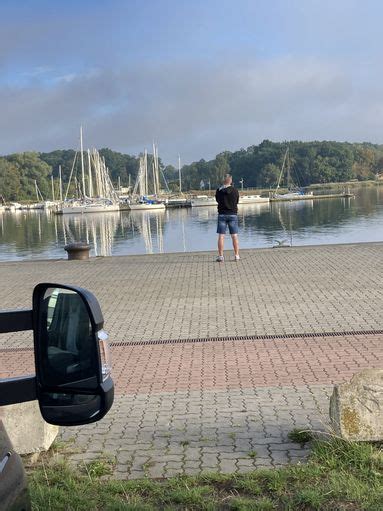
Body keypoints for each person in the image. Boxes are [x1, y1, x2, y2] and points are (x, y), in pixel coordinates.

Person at [215, 174, 240, 262]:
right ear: (230, 181)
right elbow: (237, 201)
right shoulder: (235, 190)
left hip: (222, 214)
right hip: (233, 214)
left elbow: (217, 200)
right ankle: (236, 255)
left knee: (221, 236)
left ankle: (221, 256)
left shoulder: (218, 191)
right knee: (234, 236)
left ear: (223, 181)